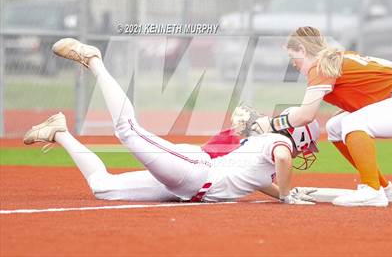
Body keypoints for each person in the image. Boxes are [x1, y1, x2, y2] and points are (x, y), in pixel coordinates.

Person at [23, 38, 319, 204]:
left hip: (188, 185)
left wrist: (284, 191)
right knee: (127, 129)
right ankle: (94, 60)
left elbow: (257, 180)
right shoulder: (279, 143)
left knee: (104, 187)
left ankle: (59, 132)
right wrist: (285, 193)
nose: (304, 153)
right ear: (299, 137)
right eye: (306, 146)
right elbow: (283, 157)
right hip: (193, 172)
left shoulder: (267, 151)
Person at [253, 26, 392, 207]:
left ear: (302, 50)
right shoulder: (337, 57)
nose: (292, 62)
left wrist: (271, 124)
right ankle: (382, 186)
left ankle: (372, 190)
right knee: (335, 126)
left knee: (354, 121)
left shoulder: (319, 66)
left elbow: (306, 115)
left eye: (292, 56)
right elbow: (388, 65)